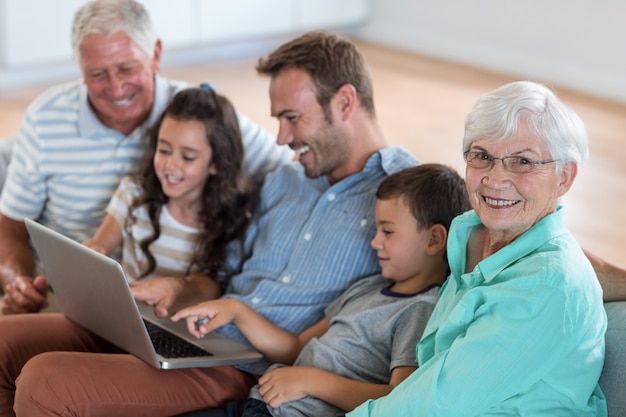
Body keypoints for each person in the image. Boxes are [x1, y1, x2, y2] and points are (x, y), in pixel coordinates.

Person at [0, 30, 419, 417]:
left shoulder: (409, 200)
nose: (279, 138)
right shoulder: (285, 179)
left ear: (345, 102)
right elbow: (221, 269)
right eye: (277, 119)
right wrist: (178, 288)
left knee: (45, 382)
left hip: (244, 367)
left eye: (291, 118)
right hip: (187, 329)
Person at [0, 0, 291, 315]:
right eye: (97, 73)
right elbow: (10, 225)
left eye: (127, 68)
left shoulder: (199, 119)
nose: (116, 87)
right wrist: (18, 281)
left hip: (161, 311)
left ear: (155, 55)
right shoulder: (46, 119)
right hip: (67, 294)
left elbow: (293, 173)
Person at [346, 81, 608, 416]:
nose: (495, 178)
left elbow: (436, 404)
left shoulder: (547, 285)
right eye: (482, 156)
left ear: (564, 177)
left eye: (523, 162)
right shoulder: (471, 235)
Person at [171, 163, 471, 417]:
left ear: (434, 240)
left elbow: (398, 399)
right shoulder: (368, 288)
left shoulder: (421, 310)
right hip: (258, 404)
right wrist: (238, 312)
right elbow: (295, 348)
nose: (375, 242)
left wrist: (311, 382)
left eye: (387, 231)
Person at [83, 86, 257, 285]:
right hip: (127, 313)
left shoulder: (232, 217)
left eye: (187, 157)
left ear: (216, 163)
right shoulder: (133, 193)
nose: (170, 165)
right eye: (164, 150)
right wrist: (95, 249)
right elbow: (101, 245)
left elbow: (214, 286)